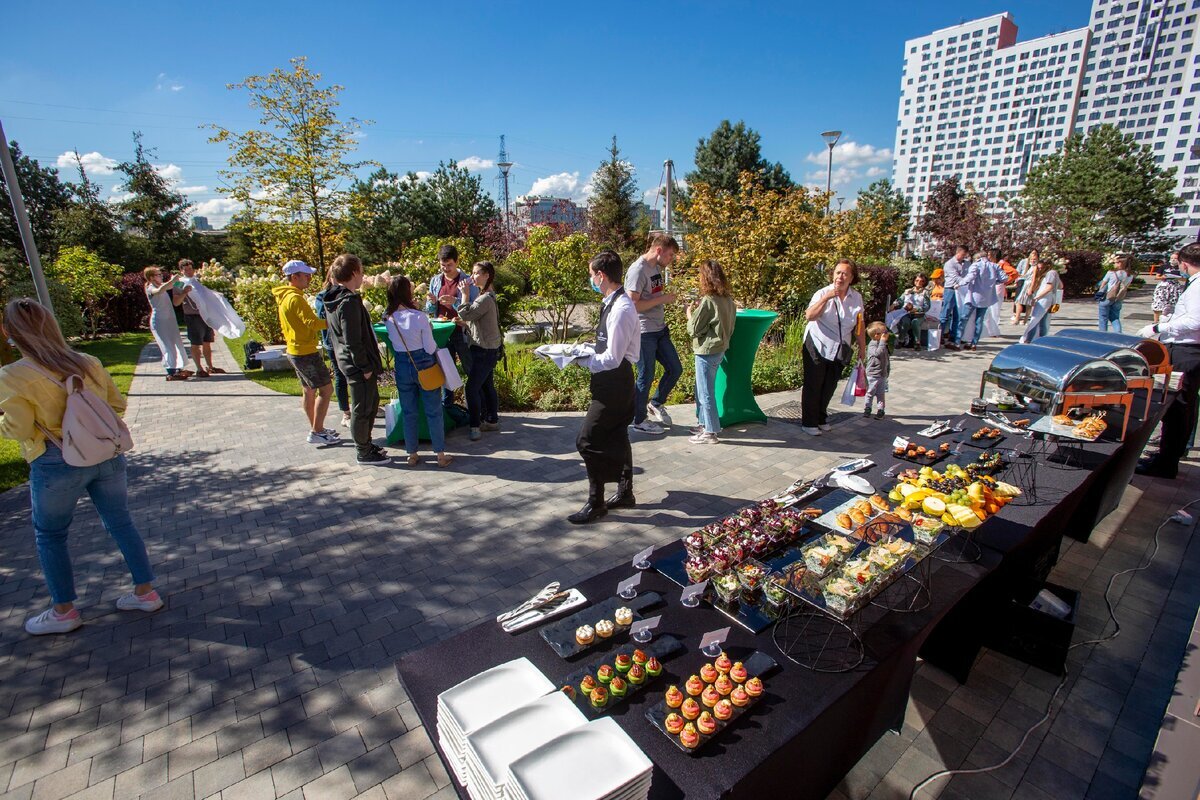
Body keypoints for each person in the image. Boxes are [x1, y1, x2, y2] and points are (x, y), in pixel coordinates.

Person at [0, 298, 163, 635]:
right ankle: (146, 592)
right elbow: (116, 404)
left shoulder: (13, 376)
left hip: (55, 460)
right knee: (120, 522)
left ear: (11, 331)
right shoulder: (87, 362)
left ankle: (64, 611)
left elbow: (19, 428)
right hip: (106, 454)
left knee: (51, 534)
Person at [570, 250, 640, 524]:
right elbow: (607, 345)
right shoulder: (610, 302)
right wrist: (583, 348)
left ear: (601, 276)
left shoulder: (622, 308)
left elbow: (612, 358)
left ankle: (595, 502)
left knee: (587, 441)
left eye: (591, 275)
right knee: (618, 435)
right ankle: (625, 492)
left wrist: (580, 361)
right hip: (609, 382)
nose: (590, 280)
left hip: (615, 383)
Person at [1137, 243, 1200, 479]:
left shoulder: (1198, 286)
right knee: (1177, 407)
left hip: (1188, 352)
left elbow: (1195, 322)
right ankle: (1166, 456)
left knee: (1178, 408)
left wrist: (1158, 327)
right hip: (1186, 348)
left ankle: (1167, 462)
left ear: (1184, 263)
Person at [324, 254, 390, 467]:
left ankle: (366, 444)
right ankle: (363, 451)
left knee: (370, 404)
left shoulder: (334, 297)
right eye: (361, 271)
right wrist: (364, 366)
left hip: (348, 362)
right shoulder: (348, 301)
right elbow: (352, 339)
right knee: (362, 409)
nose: (363, 275)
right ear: (353, 273)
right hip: (357, 365)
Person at [387, 276, 452, 468]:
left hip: (402, 366)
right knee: (433, 410)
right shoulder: (419, 317)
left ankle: (412, 453)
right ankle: (440, 454)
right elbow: (430, 347)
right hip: (423, 364)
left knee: (409, 412)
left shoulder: (389, 318)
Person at [272, 260, 340, 446]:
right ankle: (317, 431)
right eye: (306, 275)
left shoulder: (287, 296)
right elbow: (312, 322)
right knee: (326, 390)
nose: (309, 278)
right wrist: (334, 322)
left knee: (309, 391)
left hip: (296, 350)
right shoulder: (295, 298)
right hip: (305, 352)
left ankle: (317, 427)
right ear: (294, 277)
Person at [800, 259, 866, 436]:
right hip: (817, 343)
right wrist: (826, 298)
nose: (840, 277)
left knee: (829, 384)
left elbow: (860, 324)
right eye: (837, 273)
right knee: (814, 384)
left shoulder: (856, 297)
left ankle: (821, 418)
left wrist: (862, 347)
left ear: (851, 277)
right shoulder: (822, 293)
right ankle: (808, 422)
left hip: (840, 346)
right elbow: (810, 316)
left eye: (845, 273)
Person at [626, 233, 682, 435]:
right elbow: (632, 305)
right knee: (646, 375)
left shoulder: (656, 267)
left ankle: (655, 403)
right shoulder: (638, 270)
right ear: (658, 250)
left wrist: (663, 299)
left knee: (675, 369)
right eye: (670, 255)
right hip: (643, 332)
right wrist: (663, 299)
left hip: (660, 330)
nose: (671, 260)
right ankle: (638, 420)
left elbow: (653, 295)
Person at [685, 259, 736, 445]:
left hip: (706, 351)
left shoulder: (708, 301)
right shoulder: (728, 300)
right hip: (720, 349)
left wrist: (689, 313)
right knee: (703, 389)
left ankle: (710, 432)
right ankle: (705, 423)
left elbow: (693, 329)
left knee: (705, 392)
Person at [425, 245, 478, 408]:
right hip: (442, 331)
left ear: (457, 262)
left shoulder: (467, 281)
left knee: (470, 368)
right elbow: (429, 309)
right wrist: (432, 303)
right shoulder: (436, 280)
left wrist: (455, 302)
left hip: (460, 331)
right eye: (443, 265)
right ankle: (447, 407)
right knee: (445, 371)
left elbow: (472, 309)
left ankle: (475, 406)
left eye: (449, 265)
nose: (446, 269)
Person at [455, 261, 502, 441]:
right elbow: (476, 320)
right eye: (472, 273)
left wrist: (464, 295)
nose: (471, 277)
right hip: (489, 348)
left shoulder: (484, 298)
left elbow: (466, 313)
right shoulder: (488, 296)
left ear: (486, 275)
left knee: (471, 388)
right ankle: (492, 420)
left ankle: (475, 426)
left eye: (475, 273)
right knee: (486, 384)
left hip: (483, 350)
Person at [173, 259, 227, 377]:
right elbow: (176, 302)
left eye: (190, 269)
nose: (188, 271)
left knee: (207, 341)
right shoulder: (179, 283)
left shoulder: (197, 280)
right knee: (196, 343)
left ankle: (210, 367)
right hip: (192, 316)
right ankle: (199, 368)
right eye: (185, 269)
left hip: (205, 315)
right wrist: (184, 293)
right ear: (181, 271)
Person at [315, 270, 351, 429]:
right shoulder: (322, 296)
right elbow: (324, 317)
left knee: (356, 375)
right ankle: (346, 412)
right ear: (330, 278)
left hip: (348, 341)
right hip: (332, 342)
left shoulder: (348, 293)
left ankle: (362, 407)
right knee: (340, 376)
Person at [142, 266, 190, 381]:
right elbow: (159, 291)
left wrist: (182, 283)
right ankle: (171, 371)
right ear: (151, 277)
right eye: (158, 274)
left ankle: (178, 367)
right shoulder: (150, 288)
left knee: (176, 343)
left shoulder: (163, 285)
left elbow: (176, 285)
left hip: (170, 320)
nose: (161, 276)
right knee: (167, 345)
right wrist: (172, 281)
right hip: (159, 321)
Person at [957, 249, 1006, 351]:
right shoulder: (995, 266)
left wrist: (960, 283)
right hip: (986, 297)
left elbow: (970, 277)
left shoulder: (976, 265)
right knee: (979, 321)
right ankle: (974, 343)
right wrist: (993, 283)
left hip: (973, 295)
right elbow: (1004, 278)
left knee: (964, 318)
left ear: (977, 258)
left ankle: (957, 341)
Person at [1019, 258, 1064, 344]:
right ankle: (1042, 339)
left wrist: (1037, 298)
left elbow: (1049, 287)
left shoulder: (1050, 273)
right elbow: (1061, 286)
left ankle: (1028, 339)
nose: (1039, 269)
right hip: (1049, 299)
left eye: (1041, 268)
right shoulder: (1054, 273)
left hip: (1044, 299)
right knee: (1043, 321)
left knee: (1035, 320)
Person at [940, 246, 969, 351]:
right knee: (945, 313)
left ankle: (954, 335)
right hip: (950, 289)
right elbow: (954, 277)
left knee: (958, 313)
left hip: (961, 290)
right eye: (962, 255)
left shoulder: (967, 263)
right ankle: (941, 335)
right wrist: (965, 281)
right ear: (958, 253)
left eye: (965, 255)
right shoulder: (949, 264)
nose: (964, 257)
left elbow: (969, 274)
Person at [1096, 255, 1133, 333]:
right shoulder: (1130, 275)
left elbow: (1103, 284)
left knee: (1103, 317)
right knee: (1115, 317)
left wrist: (1100, 293)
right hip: (1119, 298)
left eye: (1115, 262)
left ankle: (1102, 334)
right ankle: (1118, 332)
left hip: (1108, 297)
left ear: (1120, 263)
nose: (1114, 264)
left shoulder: (1111, 272)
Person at [863, 321, 890, 420]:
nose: (887, 334)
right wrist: (882, 342)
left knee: (881, 394)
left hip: (882, 374)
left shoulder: (882, 344)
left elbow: (886, 358)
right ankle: (867, 408)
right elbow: (878, 353)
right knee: (870, 393)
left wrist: (887, 371)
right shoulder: (872, 345)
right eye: (884, 332)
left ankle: (880, 410)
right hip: (872, 374)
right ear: (876, 335)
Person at [897, 274, 931, 349]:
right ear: (914, 281)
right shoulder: (909, 291)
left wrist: (917, 309)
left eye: (922, 281)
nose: (919, 282)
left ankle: (917, 343)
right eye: (917, 280)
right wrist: (893, 305)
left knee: (915, 322)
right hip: (907, 313)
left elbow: (927, 306)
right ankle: (900, 340)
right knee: (905, 321)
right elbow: (900, 300)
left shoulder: (925, 293)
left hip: (919, 315)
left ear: (924, 283)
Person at [1153, 257, 1185, 324]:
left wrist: (1179, 277)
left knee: (1173, 303)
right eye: (1172, 258)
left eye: (1175, 258)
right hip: (1163, 286)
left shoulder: (1181, 267)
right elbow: (1156, 277)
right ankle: (1156, 321)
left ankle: (1169, 319)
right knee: (1158, 302)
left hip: (1175, 286)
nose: (1173, 259)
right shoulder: (1164, 266)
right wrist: (1163, 277)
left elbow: (1185, 279)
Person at [1013, 249, 1040, 324]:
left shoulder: (1035, 267)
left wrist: (1031, 288)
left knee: (1020, 301)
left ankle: (1018, 318)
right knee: (1026, 302)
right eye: (1031, 259)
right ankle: (1023, 319)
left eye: (1034, 259)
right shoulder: (1031, 266)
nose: (1032, 260)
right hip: (1026, 284)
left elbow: (1034, 279)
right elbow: (1025, 275)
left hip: (1029, 285)